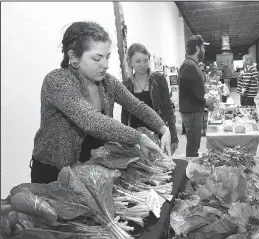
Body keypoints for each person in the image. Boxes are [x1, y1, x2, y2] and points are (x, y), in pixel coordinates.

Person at [30, 22, 172, 184]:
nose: (105, 65)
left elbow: (137, 106)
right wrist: (139, 138)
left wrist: (163, 128)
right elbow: (92, 121)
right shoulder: (57, 81)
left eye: (107, 57)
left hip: (91, 170)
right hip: (53, 172)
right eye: (97, 58)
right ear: (73, 56)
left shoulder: (108, 82)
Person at [121, 43, 178, 154]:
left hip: (158, 131)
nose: (142, 64)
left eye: (145, 60)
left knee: (161, 165)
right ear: (130, 62)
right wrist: (125, 140)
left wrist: (173, 135)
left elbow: (168, 108)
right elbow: (125, 115)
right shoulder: (126, 84)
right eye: (138, 61)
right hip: (137, 135)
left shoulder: (159, 79)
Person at [178, 35, 209, 157]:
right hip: (191, 111)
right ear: (197, 48)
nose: (204, 50)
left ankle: (192, 160)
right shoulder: (189, 65)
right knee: (193, 142)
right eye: (203, 47)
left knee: (194, 142)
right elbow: (190, 93)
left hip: (193, 110)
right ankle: (190, 167)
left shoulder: (191, 64)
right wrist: (205, 102)